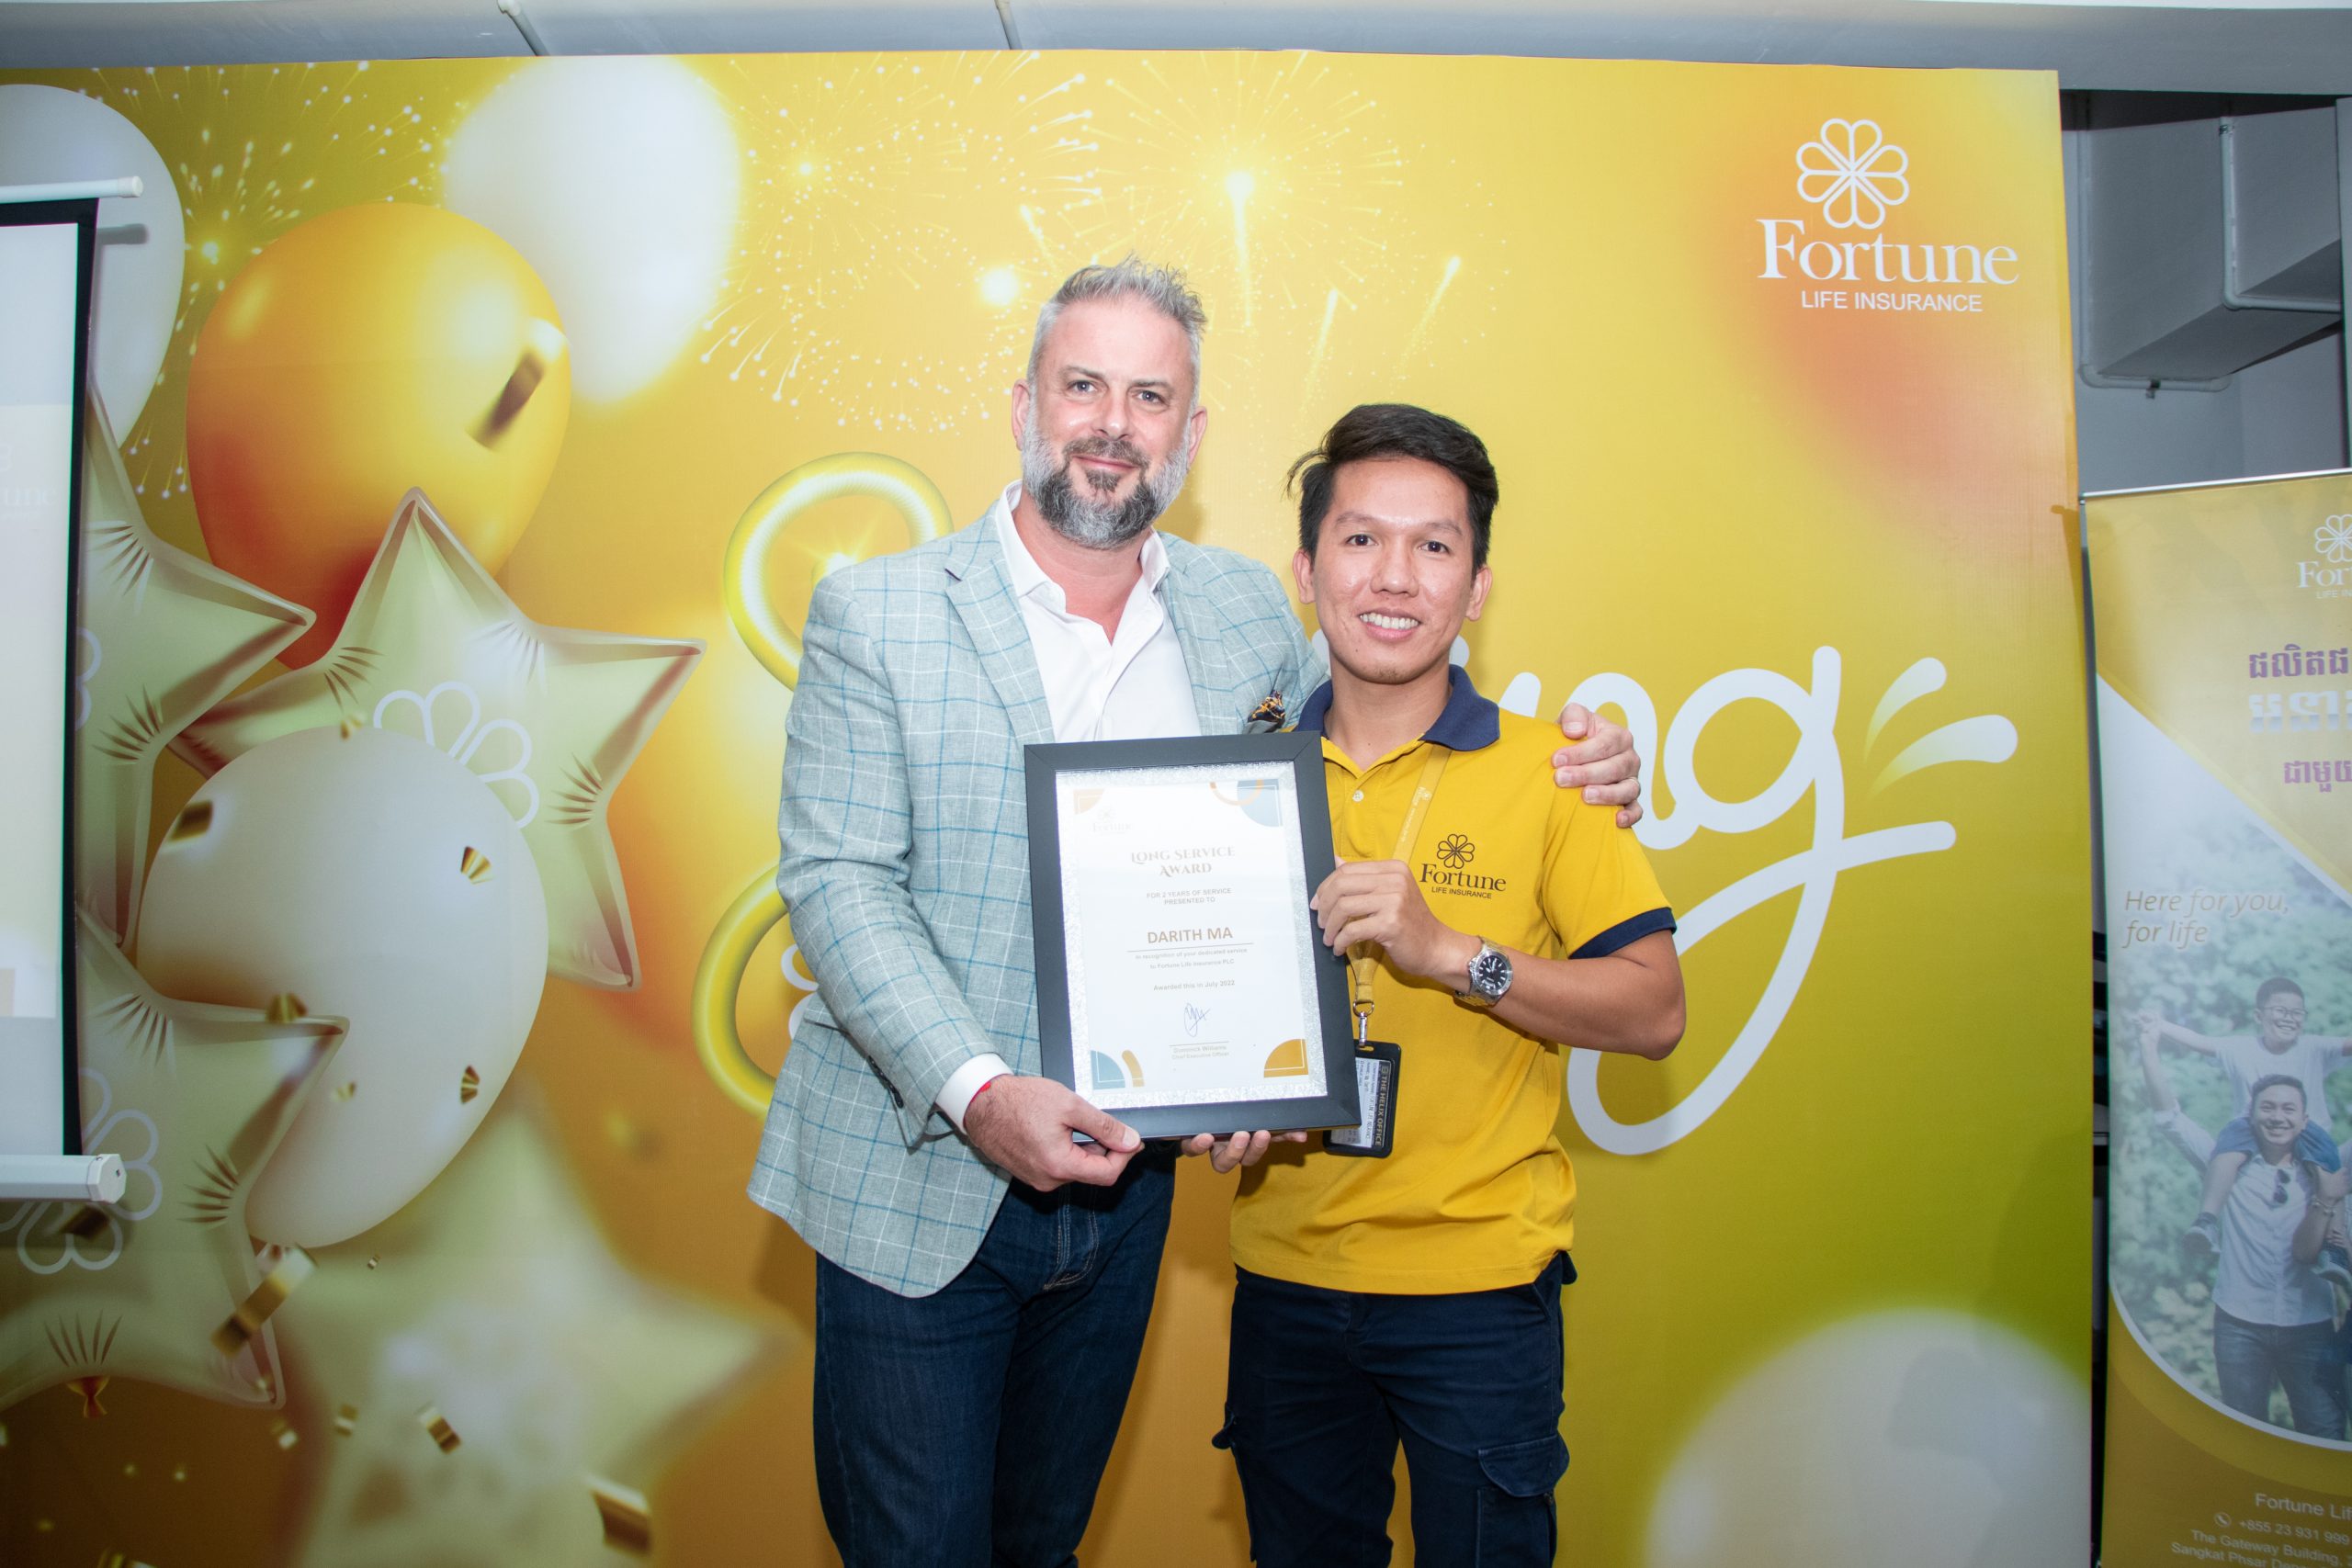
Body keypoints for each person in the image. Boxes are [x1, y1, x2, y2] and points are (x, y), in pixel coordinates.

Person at [747, 260, 1647, 1568]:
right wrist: (980, 1091)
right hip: (918, 1179)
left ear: (1191, 432)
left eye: (1151, 396)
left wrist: (1592, 755)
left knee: (1042, 1543)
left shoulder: (1244, 616)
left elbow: (1369, 721)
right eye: (1084, 386)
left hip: (1127, 1199)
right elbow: (838, 882)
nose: (1113, 424)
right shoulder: (876, 612)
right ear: (1025, 406)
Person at [1216, 404, 1686, 1567]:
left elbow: (1653, 1008)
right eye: (1360, 539)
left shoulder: (1556, 772)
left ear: (1475, 588)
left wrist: (1452, 955)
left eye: (1433, 546)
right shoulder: (1237, 775)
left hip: (1477, 1286)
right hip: (1284, 1278)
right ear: (1307, 571)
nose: (1394, 576)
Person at [2137, 1013, 2348, 1439]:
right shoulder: (2224, 1162)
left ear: (2305, 1120)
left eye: (2288, 1109)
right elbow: (2169, 1117)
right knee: (2243, 1434)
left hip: (2310, 1322)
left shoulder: (2328, 1167)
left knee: (2324, 1430)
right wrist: (2148, 1047)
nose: (2277, 1117)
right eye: (2267, 1108)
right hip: (2239, 1324)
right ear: (2250, 1116)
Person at [2141, 980, 2352, 1287]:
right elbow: (2200, 1041)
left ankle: (2335, 1246)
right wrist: (2161, 1026)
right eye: (2280, 1010)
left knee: (2331, 1172)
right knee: (2224, 1155)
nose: (2289, 1018)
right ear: (2258, 1015)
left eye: (2297, 1013)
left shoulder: (2314, 1047)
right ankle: (2208, 1219)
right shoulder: (2240, 1048)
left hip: (2310, 1128)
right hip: (2250, 1126)